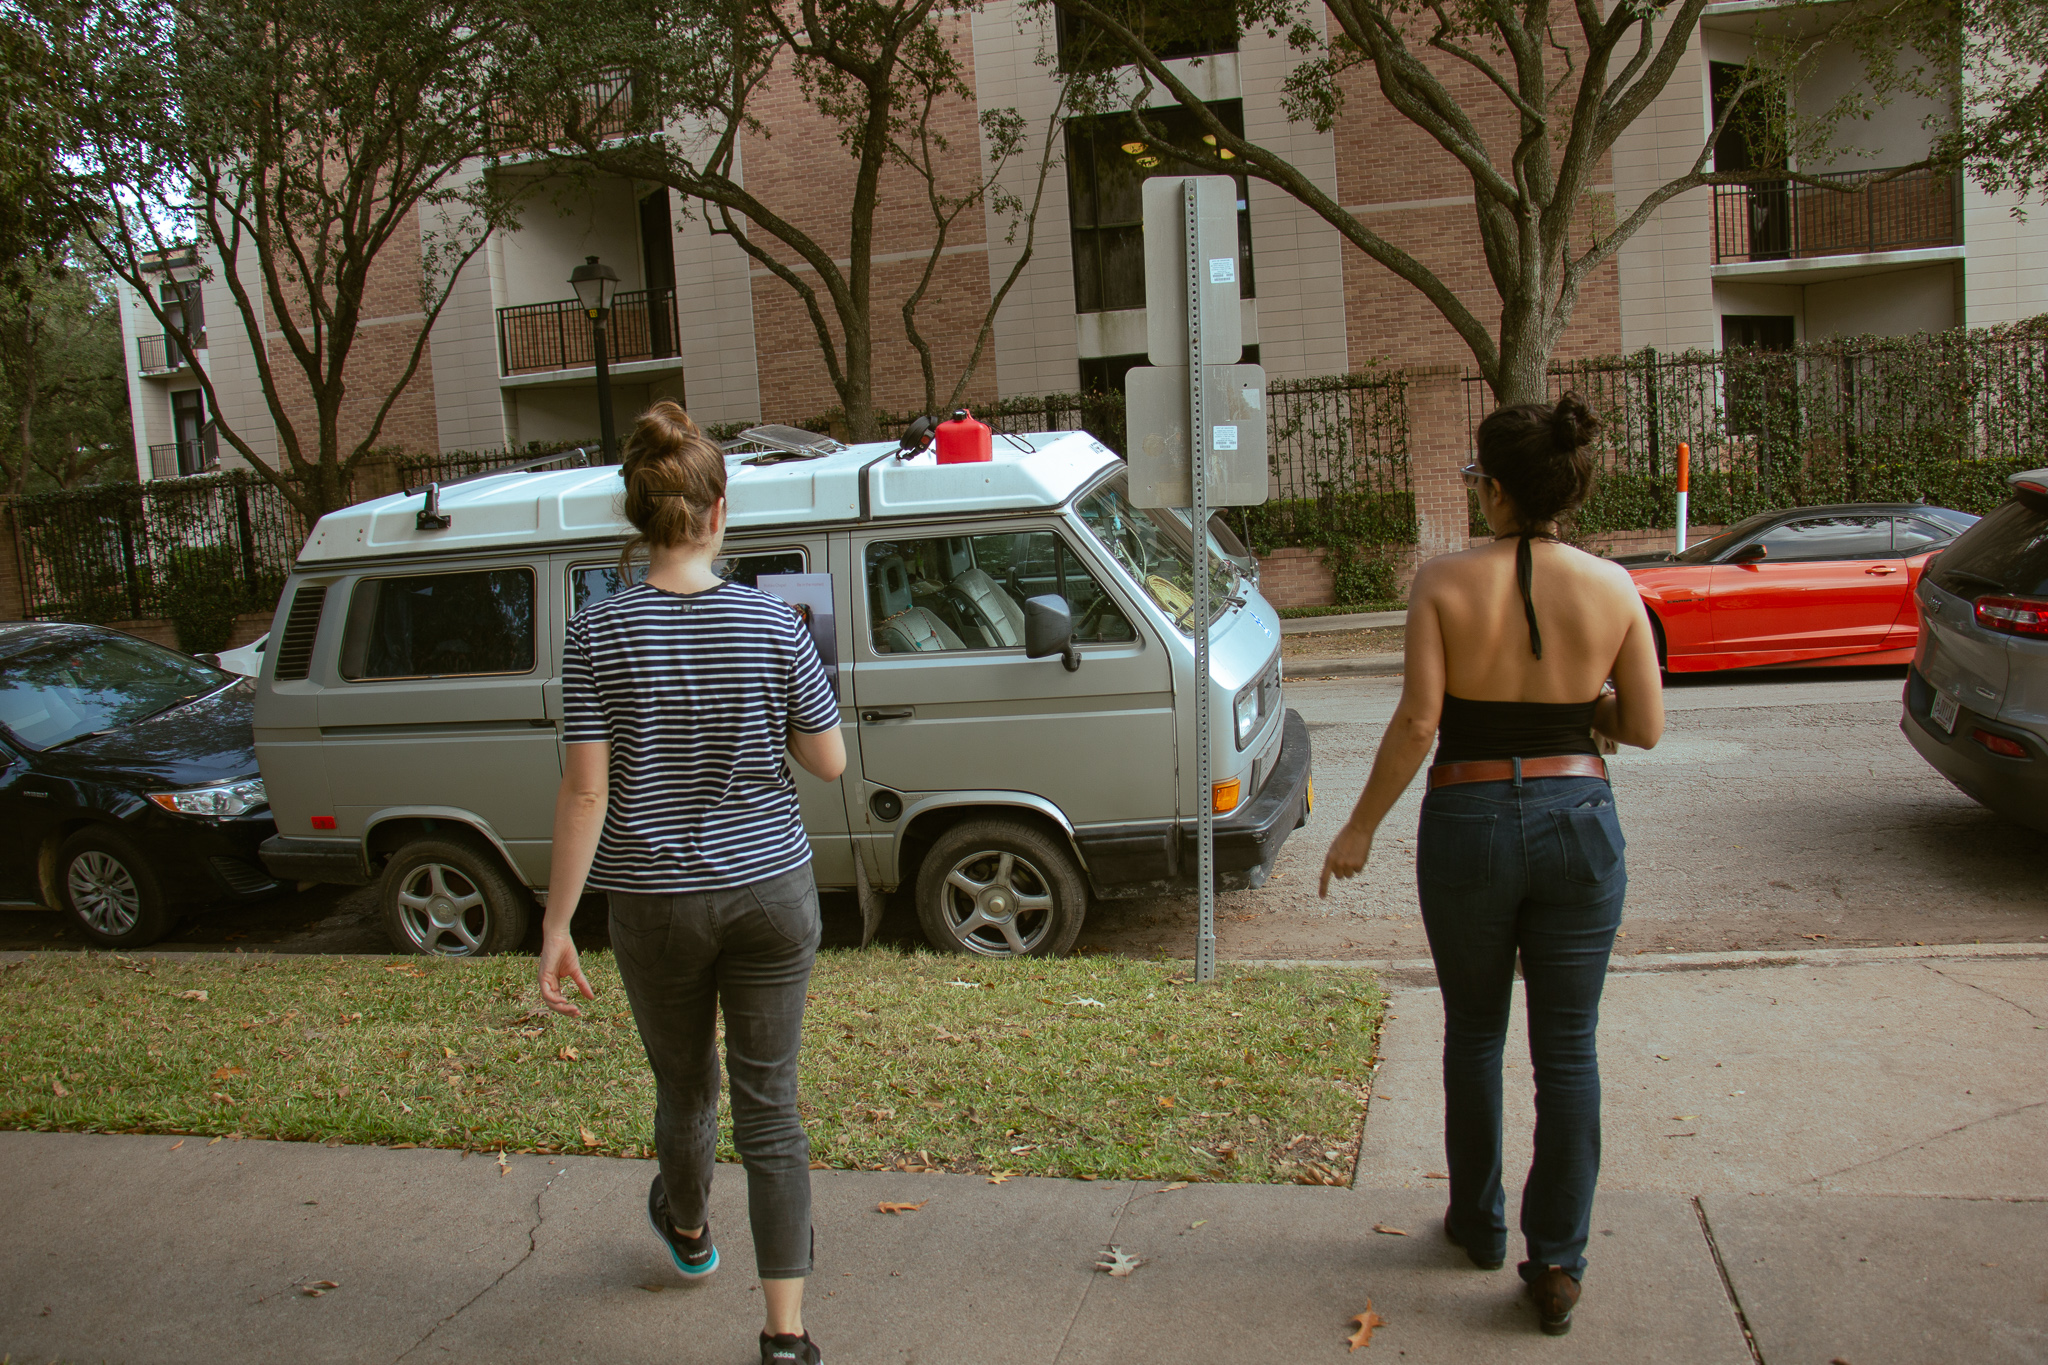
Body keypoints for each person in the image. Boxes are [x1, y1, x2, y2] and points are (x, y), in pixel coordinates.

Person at [1318, 394, 1664, 1337]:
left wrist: (1358, 828)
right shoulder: (1615, 588)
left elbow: (1420, 721)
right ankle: (1557, 1262)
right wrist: (1578, 710)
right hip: (1579, 818)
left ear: (1498, 489)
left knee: (1474, 1030)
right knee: (1569, 1048)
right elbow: (1644, 724)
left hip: (1467, 818)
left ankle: (1477, 1223)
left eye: (1477, 478)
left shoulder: (1441, 581)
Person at [538, 400, 847, 1365]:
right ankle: (785, 1336)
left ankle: (689, 1228)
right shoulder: (776, 621)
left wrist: (555, 926)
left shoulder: (594, 632)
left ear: (640, 516)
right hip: (771, 893)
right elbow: (829, 761)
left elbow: (586, 792)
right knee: (771, 1105)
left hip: (654, 902)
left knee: (685, 1088)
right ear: (719, 511)